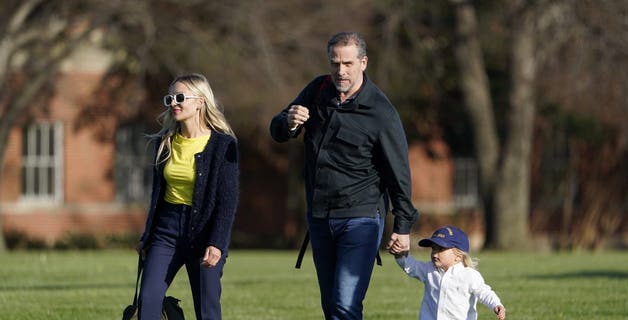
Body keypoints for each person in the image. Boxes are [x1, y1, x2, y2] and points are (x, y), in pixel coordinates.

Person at [270, 31, 419, 319]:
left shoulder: (381, 112)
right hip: (319, 217)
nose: (341, 71)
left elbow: (399, 173)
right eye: (335, 63)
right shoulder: (317, 90)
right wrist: (289, 121)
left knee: (345, 305)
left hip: (360, 218)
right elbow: (277, 129)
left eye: (348, 63)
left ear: (363, 62)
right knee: (331, 307)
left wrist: (402, 225)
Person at [136, 73, 239, 320]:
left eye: (180, 97)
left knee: (207, 310)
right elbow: (157, 196)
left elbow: (227, 200)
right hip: (167, 230)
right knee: (148, 301)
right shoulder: (166, 142)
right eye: (170, 98)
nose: (174, 103)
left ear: (200, 102)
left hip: (205, 232)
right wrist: (148, 235)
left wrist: (216, 242)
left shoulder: (223, 145)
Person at [393, 226, 506, 320]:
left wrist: (496, 304)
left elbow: (484, 292)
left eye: (440, 249)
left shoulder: (469, 275)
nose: (434, 253)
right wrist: (400, 255)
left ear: (458, 255)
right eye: (433, 249)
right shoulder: (429, 270)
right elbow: (412, 266)